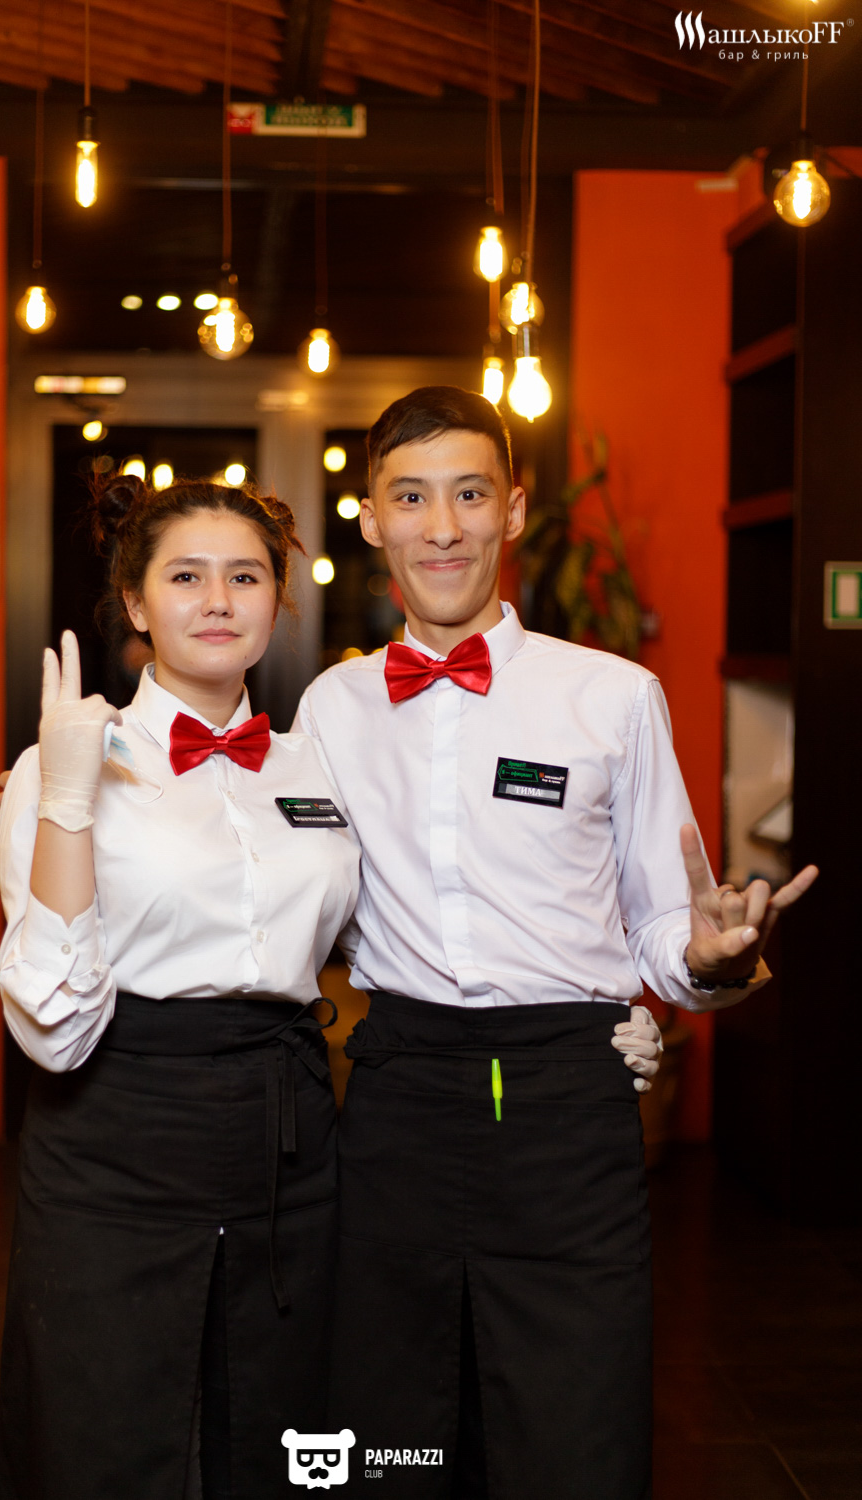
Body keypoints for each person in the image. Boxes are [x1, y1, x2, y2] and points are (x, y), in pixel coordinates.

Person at [291, 387, 818, 1499]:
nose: (442, 527)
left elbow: (664, 919)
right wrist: (78, 799)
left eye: (469, 494)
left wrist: (709, 958)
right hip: (399, 1095)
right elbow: (269, 869)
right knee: (388, 1432)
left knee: (575, 1428)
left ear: (515, 510)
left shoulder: (612, 697)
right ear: (372, 519)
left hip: (567, 1104)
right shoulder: (333, 708)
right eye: (410, 498)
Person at [0, 472, 360, 1500]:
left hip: (288, 1132)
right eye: (186, 576)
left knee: (282, 1430)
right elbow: (54, 1031)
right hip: (118, 1124)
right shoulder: (60, 765)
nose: (218, 600)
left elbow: (382, 931)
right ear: (137, 602)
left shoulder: (312, 768)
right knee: (105, 1433)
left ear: (277, 600)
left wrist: (580, 1007)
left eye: (246, 576)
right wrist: (66, 799)